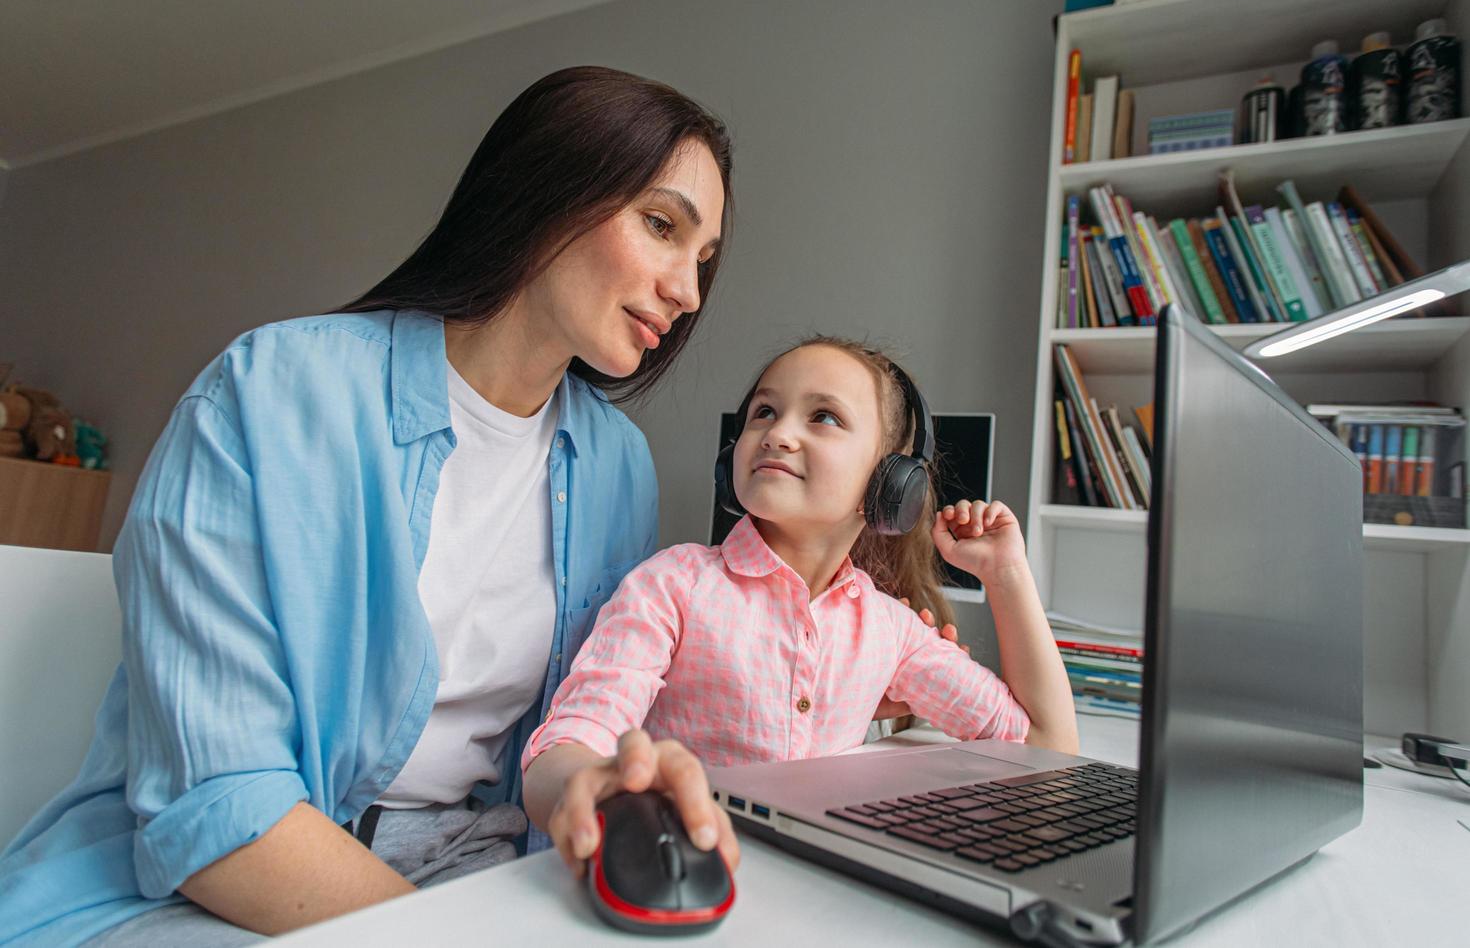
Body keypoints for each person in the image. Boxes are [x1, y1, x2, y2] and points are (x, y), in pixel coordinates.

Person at [0, 66, 736, 946]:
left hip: (475, 863)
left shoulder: (620, 466)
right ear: (548, 191)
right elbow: (217, 806)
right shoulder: (270, 390)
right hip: (197, 881)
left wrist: (597, 785)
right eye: (662, 226)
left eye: (703, 262)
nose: (688, 293)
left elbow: (572, 727)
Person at [521, 336, 1080, 874]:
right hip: (679, 872)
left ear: (890, 483)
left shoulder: (888, 630)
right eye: (763, 412)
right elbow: (567, 746)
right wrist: (589, 790)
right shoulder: (672, 585)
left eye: (824, 417)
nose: (777, 433)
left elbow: (1045, 747)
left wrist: (1007, 574)